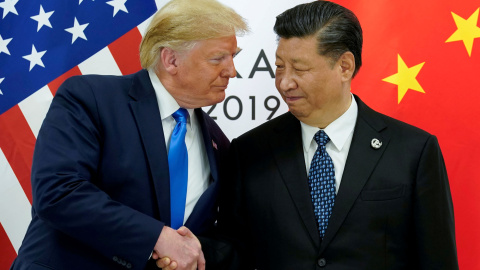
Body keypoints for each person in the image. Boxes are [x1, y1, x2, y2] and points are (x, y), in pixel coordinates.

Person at [215, 1, 459, 269]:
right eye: (280, 66)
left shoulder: (414, 151)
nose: (284, 83)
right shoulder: (250, 152)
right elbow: (232, 251)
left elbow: (437, 260)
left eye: (300, 69)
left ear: (344, 66)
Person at [10, 0, 248, 269]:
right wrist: (158, 238)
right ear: (171, 60)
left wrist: (190, 252)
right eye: (218, 58)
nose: (232, 71)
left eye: (233, 57)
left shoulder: (219, 143)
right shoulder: (90, 98)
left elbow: (211, 237)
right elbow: (58, 191)